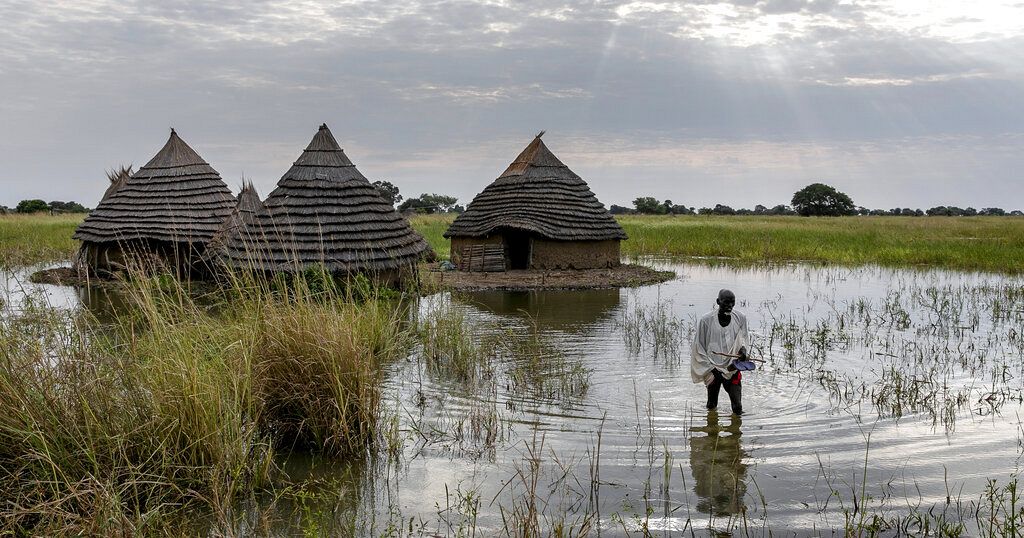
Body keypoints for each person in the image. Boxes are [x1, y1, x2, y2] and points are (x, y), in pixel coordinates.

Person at [690, 289, 749, 415]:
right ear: (718, 302)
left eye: (732, 303)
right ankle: (711, 430)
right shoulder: (706, 320)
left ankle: (736, 431)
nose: (729, 306)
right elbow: (699, 347)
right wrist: (711, 368)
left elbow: (743, 338)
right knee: (711, 405)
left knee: (737, 408)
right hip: (712, 368)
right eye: (725, 302)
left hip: (732, 367)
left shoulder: (740, 318)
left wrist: (743, 350)